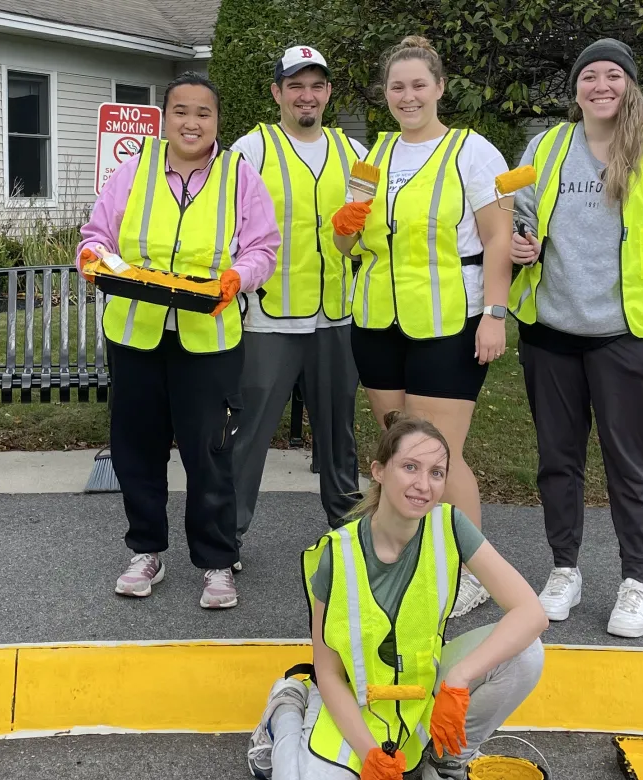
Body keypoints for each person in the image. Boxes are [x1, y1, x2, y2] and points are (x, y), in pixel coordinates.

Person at [508, 39, 643, 638]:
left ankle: (635, 580)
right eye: (588, 76)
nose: (600, 86)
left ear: (629, 86)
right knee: (557, 463)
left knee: (629, 465)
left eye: (612, 76)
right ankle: (564, 570)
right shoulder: (546, 146)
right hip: (550, 333)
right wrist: (522, 242)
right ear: (576, 88)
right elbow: (515, 207)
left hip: (624, 336)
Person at [244, 412, 547, 780]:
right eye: (409, 467)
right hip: (357, 708)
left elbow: (532, 613)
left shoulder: (449, 525)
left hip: (419, 697)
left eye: (436, 472)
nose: (423, 484)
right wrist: (368, 753)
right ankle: (287, 708)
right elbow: (328, 672)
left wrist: (460, 678)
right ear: (379, 471)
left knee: (525, 653)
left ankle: (448, 760)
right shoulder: (336, 557)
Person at [76, 73, 281, 610]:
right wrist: (92, 257)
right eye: (181, 112)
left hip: (208, 337)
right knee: (136, 449)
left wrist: (240, 277)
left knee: (209, 451)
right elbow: (98, 234)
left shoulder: (241, 176)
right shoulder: (133, 170)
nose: (192, 122)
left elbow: (263, 246)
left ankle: (216, 560)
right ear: (165, 119)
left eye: (204, 113)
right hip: (135, 333)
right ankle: (146, 550)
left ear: (218, 121)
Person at [331, 35, 516, 619]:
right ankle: (407, 556)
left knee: (441, 456)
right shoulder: (371, 158)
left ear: (439, 88)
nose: (407, 96)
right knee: (400, 449)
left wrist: (494, 314)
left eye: (418, 85)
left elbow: (495, 240)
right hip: (378, 322)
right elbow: (345, 242)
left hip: (449, 323)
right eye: (396, 87)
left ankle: (472, 573)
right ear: (385, 94)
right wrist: (344, 225)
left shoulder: (473, 152)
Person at [229, 45, 371, 542]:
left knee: (339, 438)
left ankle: (349, 532)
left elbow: (371, 231)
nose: (306, 96)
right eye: (295, 86)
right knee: (248, 434)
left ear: (328, 92)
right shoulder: (251, 150)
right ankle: (227, 537)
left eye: (316, 85)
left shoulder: (354, 153)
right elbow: (229, 228)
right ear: (277, 93)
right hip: (268, 317)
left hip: (335, 316)